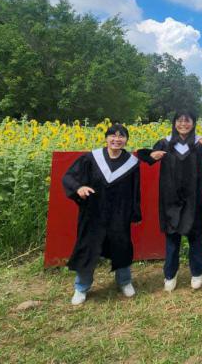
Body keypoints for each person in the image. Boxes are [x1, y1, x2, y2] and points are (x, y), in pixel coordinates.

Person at [136, 111, 202, 292]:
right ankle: (170, 274)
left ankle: (197, 272)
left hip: (194, 197)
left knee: (195, 235)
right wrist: (152, 155)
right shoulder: (165, 143)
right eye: (179, 121)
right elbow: (147, 157)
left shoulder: (200, 143)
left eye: (187, 121)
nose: (183, 124)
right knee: (172, 236)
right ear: (174, 123)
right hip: (170, 197)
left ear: (193, 123)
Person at [62, 123, 142, 305]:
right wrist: (79, 188)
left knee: (121, 247)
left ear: (126, 140)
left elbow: (135, 190)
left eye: (121, 136)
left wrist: (134, 212)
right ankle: (81, 287)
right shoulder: (91, 158)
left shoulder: (131, 163)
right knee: (88, 249)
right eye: (113, 135)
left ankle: (124, 281)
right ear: (106, 138)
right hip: (93, 213)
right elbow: (69, 177)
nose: (117, 139)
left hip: (119, 214)